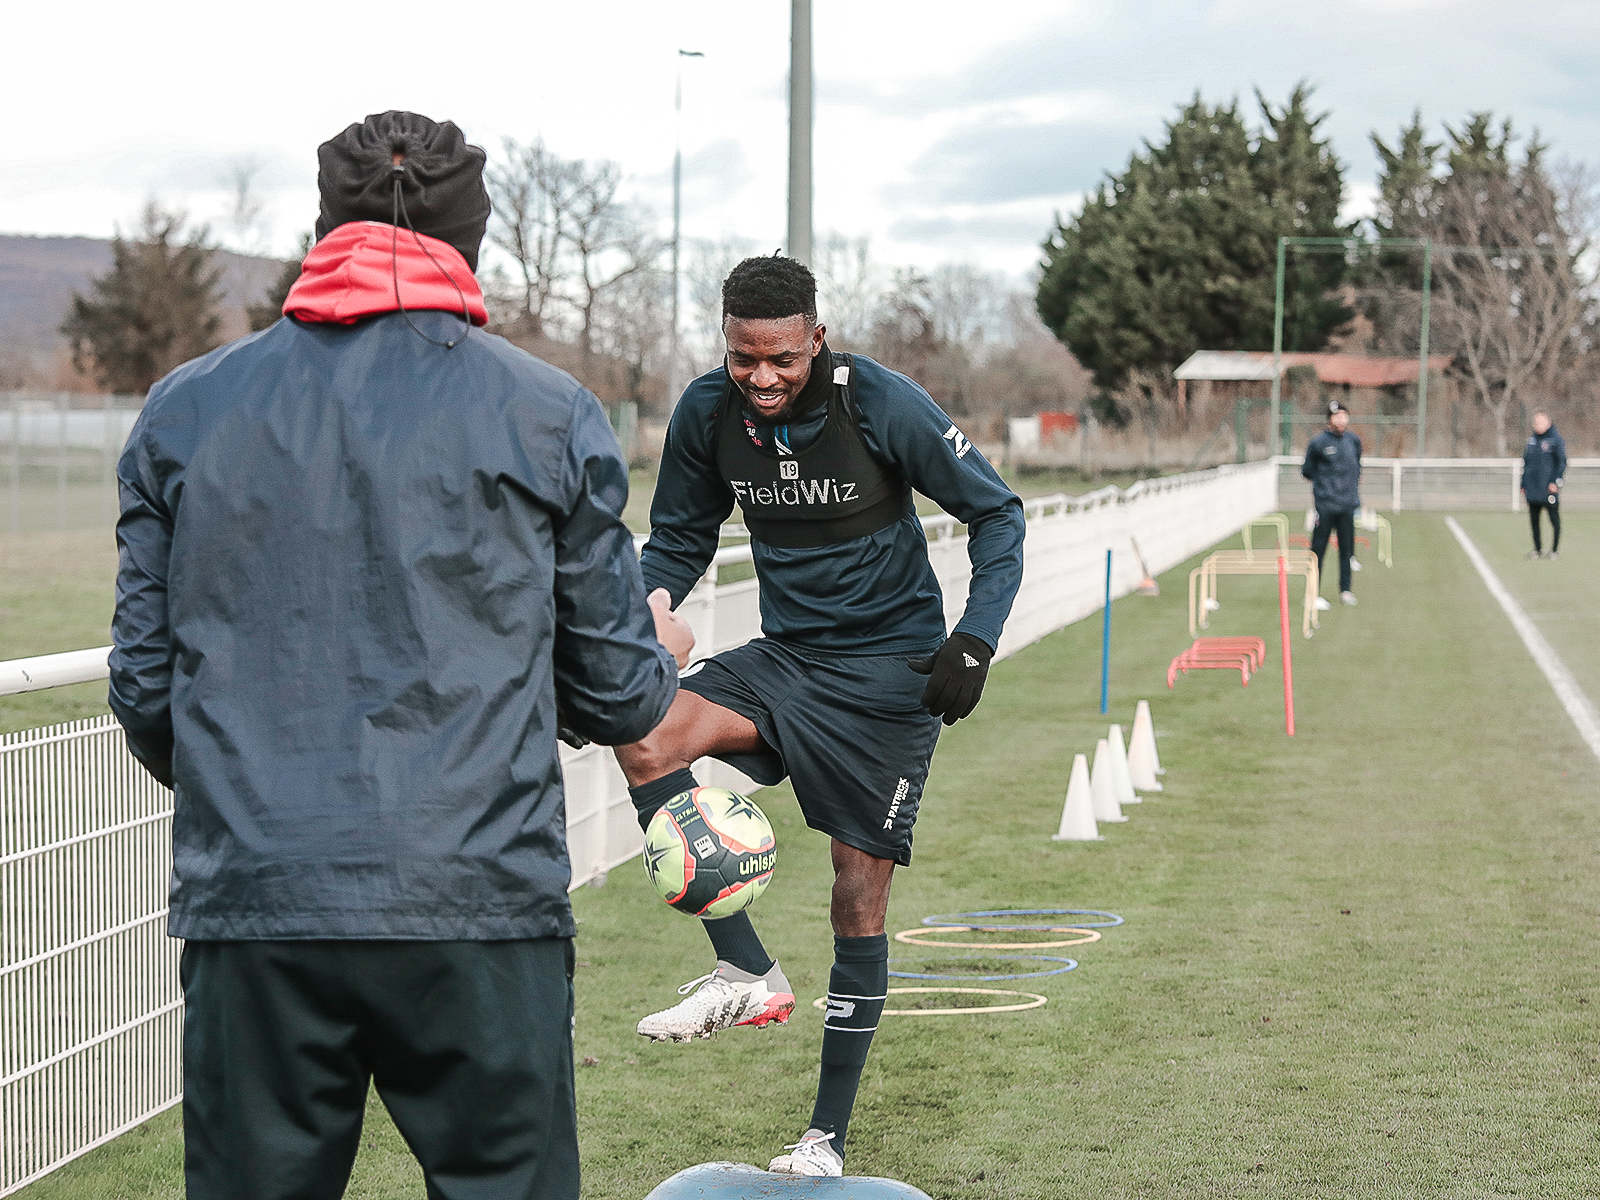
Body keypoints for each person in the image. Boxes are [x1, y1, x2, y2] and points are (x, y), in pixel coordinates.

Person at [108, 111, 692, 1200]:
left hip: (260, 895)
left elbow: (144, 687)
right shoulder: (549, 411)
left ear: (325, 225)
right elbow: (617, 693)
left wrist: (256, 793)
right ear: (469, 240)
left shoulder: (185, 408)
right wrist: (657, 650)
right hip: (476, 894)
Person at [616, 255, 1027, 1177]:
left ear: (816, 340)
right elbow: (677, 539)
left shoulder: (877, 402)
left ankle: (823, 1139)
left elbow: (999, 517)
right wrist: (643, 621)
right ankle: (746, 972)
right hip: (788, 658)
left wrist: (974, 640)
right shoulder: (706, 412)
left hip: (890, 679)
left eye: (782, 360)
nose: (762, 378)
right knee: (643, 729)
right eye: (743, 359)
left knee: (856, 897)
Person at [1301, 399, 1362, 608]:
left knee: (1347, 551)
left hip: (1347, 505)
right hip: (1326, 505)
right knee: (1318, 550)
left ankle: (1345, 590)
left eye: (1344, 415)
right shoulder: (1319, 443)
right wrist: (1325, 487)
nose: (1341, 419)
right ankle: (1312, 593)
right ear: (1329, 419)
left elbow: (1357, 466)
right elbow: (1307, 471)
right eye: (1337, 416)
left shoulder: (1353, 440)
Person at [1522, 410, 1567, 559]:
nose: (1538, 425)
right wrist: (1523, 483)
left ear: (1548, 423)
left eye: (1541, 422)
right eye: (1536, 422)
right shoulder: (1531, 441)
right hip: (1533, 488)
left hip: (1548, 489)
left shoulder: (1555, 440)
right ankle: (1537, 550)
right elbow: (1526, 464)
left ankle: (1554, 550)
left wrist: (1555, 481)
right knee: (1534, 520)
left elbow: (1561, 463)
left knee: (1553, 519)